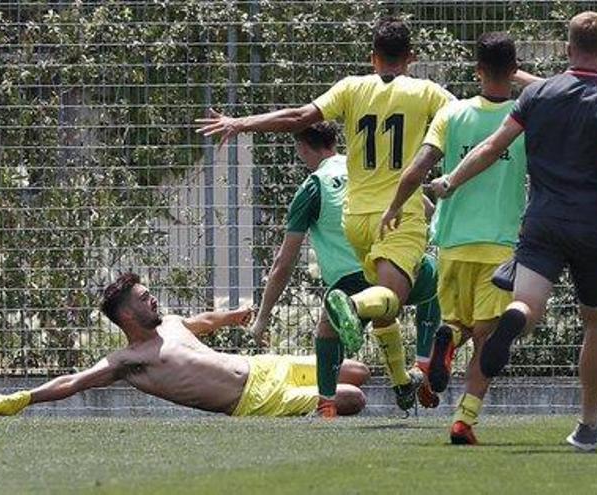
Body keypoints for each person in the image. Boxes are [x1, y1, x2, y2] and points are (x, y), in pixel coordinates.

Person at [429, 12, 597, 451]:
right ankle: (589, 425)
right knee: (595, 324)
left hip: (543, 222)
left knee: (526, 305)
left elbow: (493, 146)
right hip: (595, 228)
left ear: (568, 49)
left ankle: (515, 320)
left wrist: (451, 181)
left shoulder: (539, 95)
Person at [196, 17, 453, 412]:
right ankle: (352, 308)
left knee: (381, 298)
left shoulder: (352, 87)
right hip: (399, 213)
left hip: (357, 218)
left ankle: (401, 380)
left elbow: (300, 117)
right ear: (412, 58)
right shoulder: (428, 93)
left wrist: (241, 123)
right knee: (391, 299)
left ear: (373, 57)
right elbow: (466, 122)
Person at [381, 32, 526, 444]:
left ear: (476, 70)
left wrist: (394, 207)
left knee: (456, 321)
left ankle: (447, 338)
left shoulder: (452, 114)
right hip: (499, 244)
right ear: (513, 71)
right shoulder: (525, 117)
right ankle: (464, 419)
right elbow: (554, 92)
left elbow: (419, 167)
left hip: (452, 240)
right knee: (489, 337)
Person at [0, 273, 368, 418]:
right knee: (352, 397)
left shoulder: (173, 323)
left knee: (357, 370)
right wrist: (21, 398)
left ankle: (320, 405)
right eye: (144, 299)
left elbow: (204, 323)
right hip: (255, 400)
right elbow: (73, 382)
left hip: (263, 365)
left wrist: (233, 317)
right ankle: (320, 415)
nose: (153, 300)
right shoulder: (129, 360)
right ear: (127, 316)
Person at [249, 122, 442, 412]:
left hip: (351, 282)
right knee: (432, 278)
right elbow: (425, 207)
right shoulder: (371, 167)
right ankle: (416, 372)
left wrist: (262, 318)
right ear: (334, 141)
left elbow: (283, 262)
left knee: (328, 331)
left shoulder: (313, 187)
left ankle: (326, 405)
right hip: (397, 268)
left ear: (302, 148)